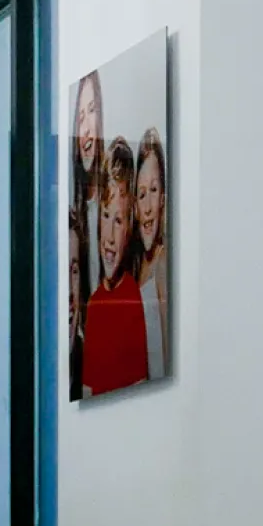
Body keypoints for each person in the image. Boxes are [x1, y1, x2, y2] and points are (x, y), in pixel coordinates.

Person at [79, 138, 150, 394]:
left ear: (130, 226)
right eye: (106, 216)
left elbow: (141, 390)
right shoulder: (96, 302)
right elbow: (87, 391)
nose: (108, 236)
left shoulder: (132, 298)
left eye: (118, 221)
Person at [67, 73, 105, 391]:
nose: (86, 127)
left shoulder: (114, 208)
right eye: (80, 117)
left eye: (92, 112)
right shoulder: (73, 216)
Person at [131, 131, 171, 384]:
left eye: (154, 190)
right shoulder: (134, 266)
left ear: (164, 200)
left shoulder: (163, 264)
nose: (147, 207)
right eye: (141, 193)